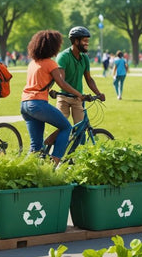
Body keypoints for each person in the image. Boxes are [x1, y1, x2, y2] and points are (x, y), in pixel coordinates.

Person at [20, 30, 76, 164]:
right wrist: (78, 94)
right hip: (37, 104)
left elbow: (40, 82)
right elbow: (61, 82)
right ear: (52, 46)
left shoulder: (33, 63)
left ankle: (22, 171)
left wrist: (49, 90)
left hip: (25, 104)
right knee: (66, 127)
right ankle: (55, 161)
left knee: (36, 147)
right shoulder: (50, 63)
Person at [55, 26, 105, 123]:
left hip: (78, 99)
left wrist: (98, 94)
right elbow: (62, 82)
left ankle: (78, 138)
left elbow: (89, 79)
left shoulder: (84, 58)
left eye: (87, 41)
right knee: (62, 127)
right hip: (64, 98)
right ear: (76, 41)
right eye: (84, 41)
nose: (87, 43)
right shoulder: (63, 57)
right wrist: (79, 94)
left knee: (81, 128)